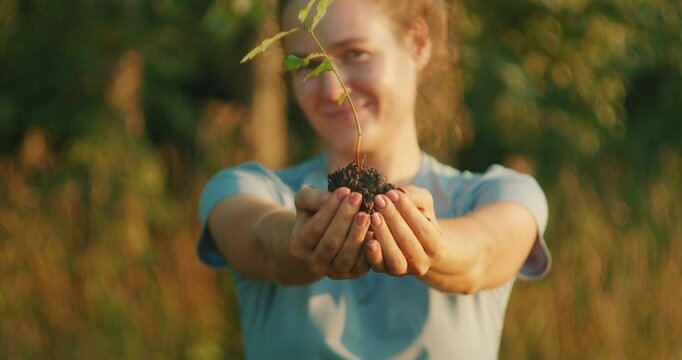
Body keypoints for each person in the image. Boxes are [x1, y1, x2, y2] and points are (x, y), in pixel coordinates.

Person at [197, 0, 551, 358]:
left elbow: (483, 255)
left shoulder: (502, 194)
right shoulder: (247, 190)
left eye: (355, 54)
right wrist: (300, 238)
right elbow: (261, 242)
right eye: (311, 64)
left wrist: (433, 247)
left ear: (418, 42)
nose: (334, 91)